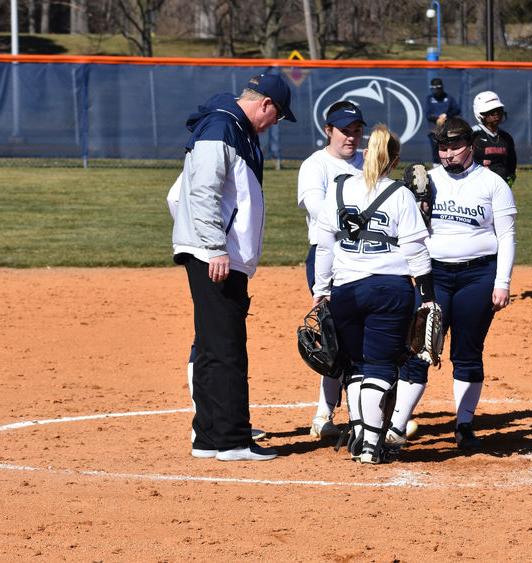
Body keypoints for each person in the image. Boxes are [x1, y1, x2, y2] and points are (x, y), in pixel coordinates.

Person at [171, 73, 295, 462]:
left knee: (213, 346)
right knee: (226, 349)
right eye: (277, 116)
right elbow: (200, 190)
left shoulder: (230, 126)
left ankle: (208, 437)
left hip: (215, 253)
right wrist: (212, 245)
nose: (274, 124)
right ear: (266, 105)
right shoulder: (224, 126)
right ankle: (231, 440)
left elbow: (176, 196)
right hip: (216, 256)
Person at [392, 117, 517, 451]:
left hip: (478, 276)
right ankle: (398, 425)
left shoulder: (493, 183)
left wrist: (502, 281)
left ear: (471, 145)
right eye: (442, 147)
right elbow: (405, 231)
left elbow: (506, 235)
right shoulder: (427, 181)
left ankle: (464, 424)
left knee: (467, 351)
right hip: (434, 275)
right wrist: (414, 206)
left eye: (454, 147)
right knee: (420, 347)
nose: (447, 154)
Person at [313, 124, 435, 465]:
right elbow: (415, 250)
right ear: (393, 160)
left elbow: (323, 246)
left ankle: (358, 433)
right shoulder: (400, 194)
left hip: (346, 289)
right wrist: (427, 296)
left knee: (354, 365)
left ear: (367, 154)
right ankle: (370, 445)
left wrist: (321, 290)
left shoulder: (338, 190)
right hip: (390, 290)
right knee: (380, 365)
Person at [297, 100, 366, 440]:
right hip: (328, 256)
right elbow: (318, 209)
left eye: (356, 131)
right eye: (344, 131)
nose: (351, 137)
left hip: (368, 257)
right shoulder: (315, 166)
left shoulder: (369, 162)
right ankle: (324, 414)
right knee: (334, 341)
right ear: (328, 131)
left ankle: (362, 413)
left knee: (366, 337)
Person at [472, 91, 517, 186]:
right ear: (480, 114)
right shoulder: (472, 136)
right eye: (491, 112)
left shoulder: (506, 137)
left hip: (500, 187)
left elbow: (511, 164)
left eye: (499, 110)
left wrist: (508, 180)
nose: (497, 114)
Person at [425, 78, 461, 164]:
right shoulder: (429, 99)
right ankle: (436, 166)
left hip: (448, 130)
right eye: (434, 89)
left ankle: (449, 165)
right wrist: (438, 118)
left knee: (448, 148)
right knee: (435, 149)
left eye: (438, 88)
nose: (436, 91)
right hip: (434, 130)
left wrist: (446, 115)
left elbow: (457, 110)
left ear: (442, 88)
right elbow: (428, 115)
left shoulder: (449, 98)